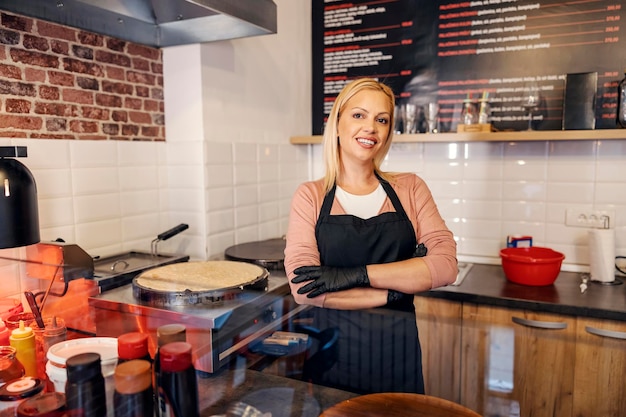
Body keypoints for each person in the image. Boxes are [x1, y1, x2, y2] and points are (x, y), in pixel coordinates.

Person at [284, 78, 457, 394]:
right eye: (359, 115)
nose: (371, 128)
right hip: (332, 352)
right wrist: (393, 293)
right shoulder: (310, 196)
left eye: (382, 120)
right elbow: (304, 289)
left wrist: (354, 275)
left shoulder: (410, 188)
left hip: (396, 351)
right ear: (337, 123)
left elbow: (445, 266)